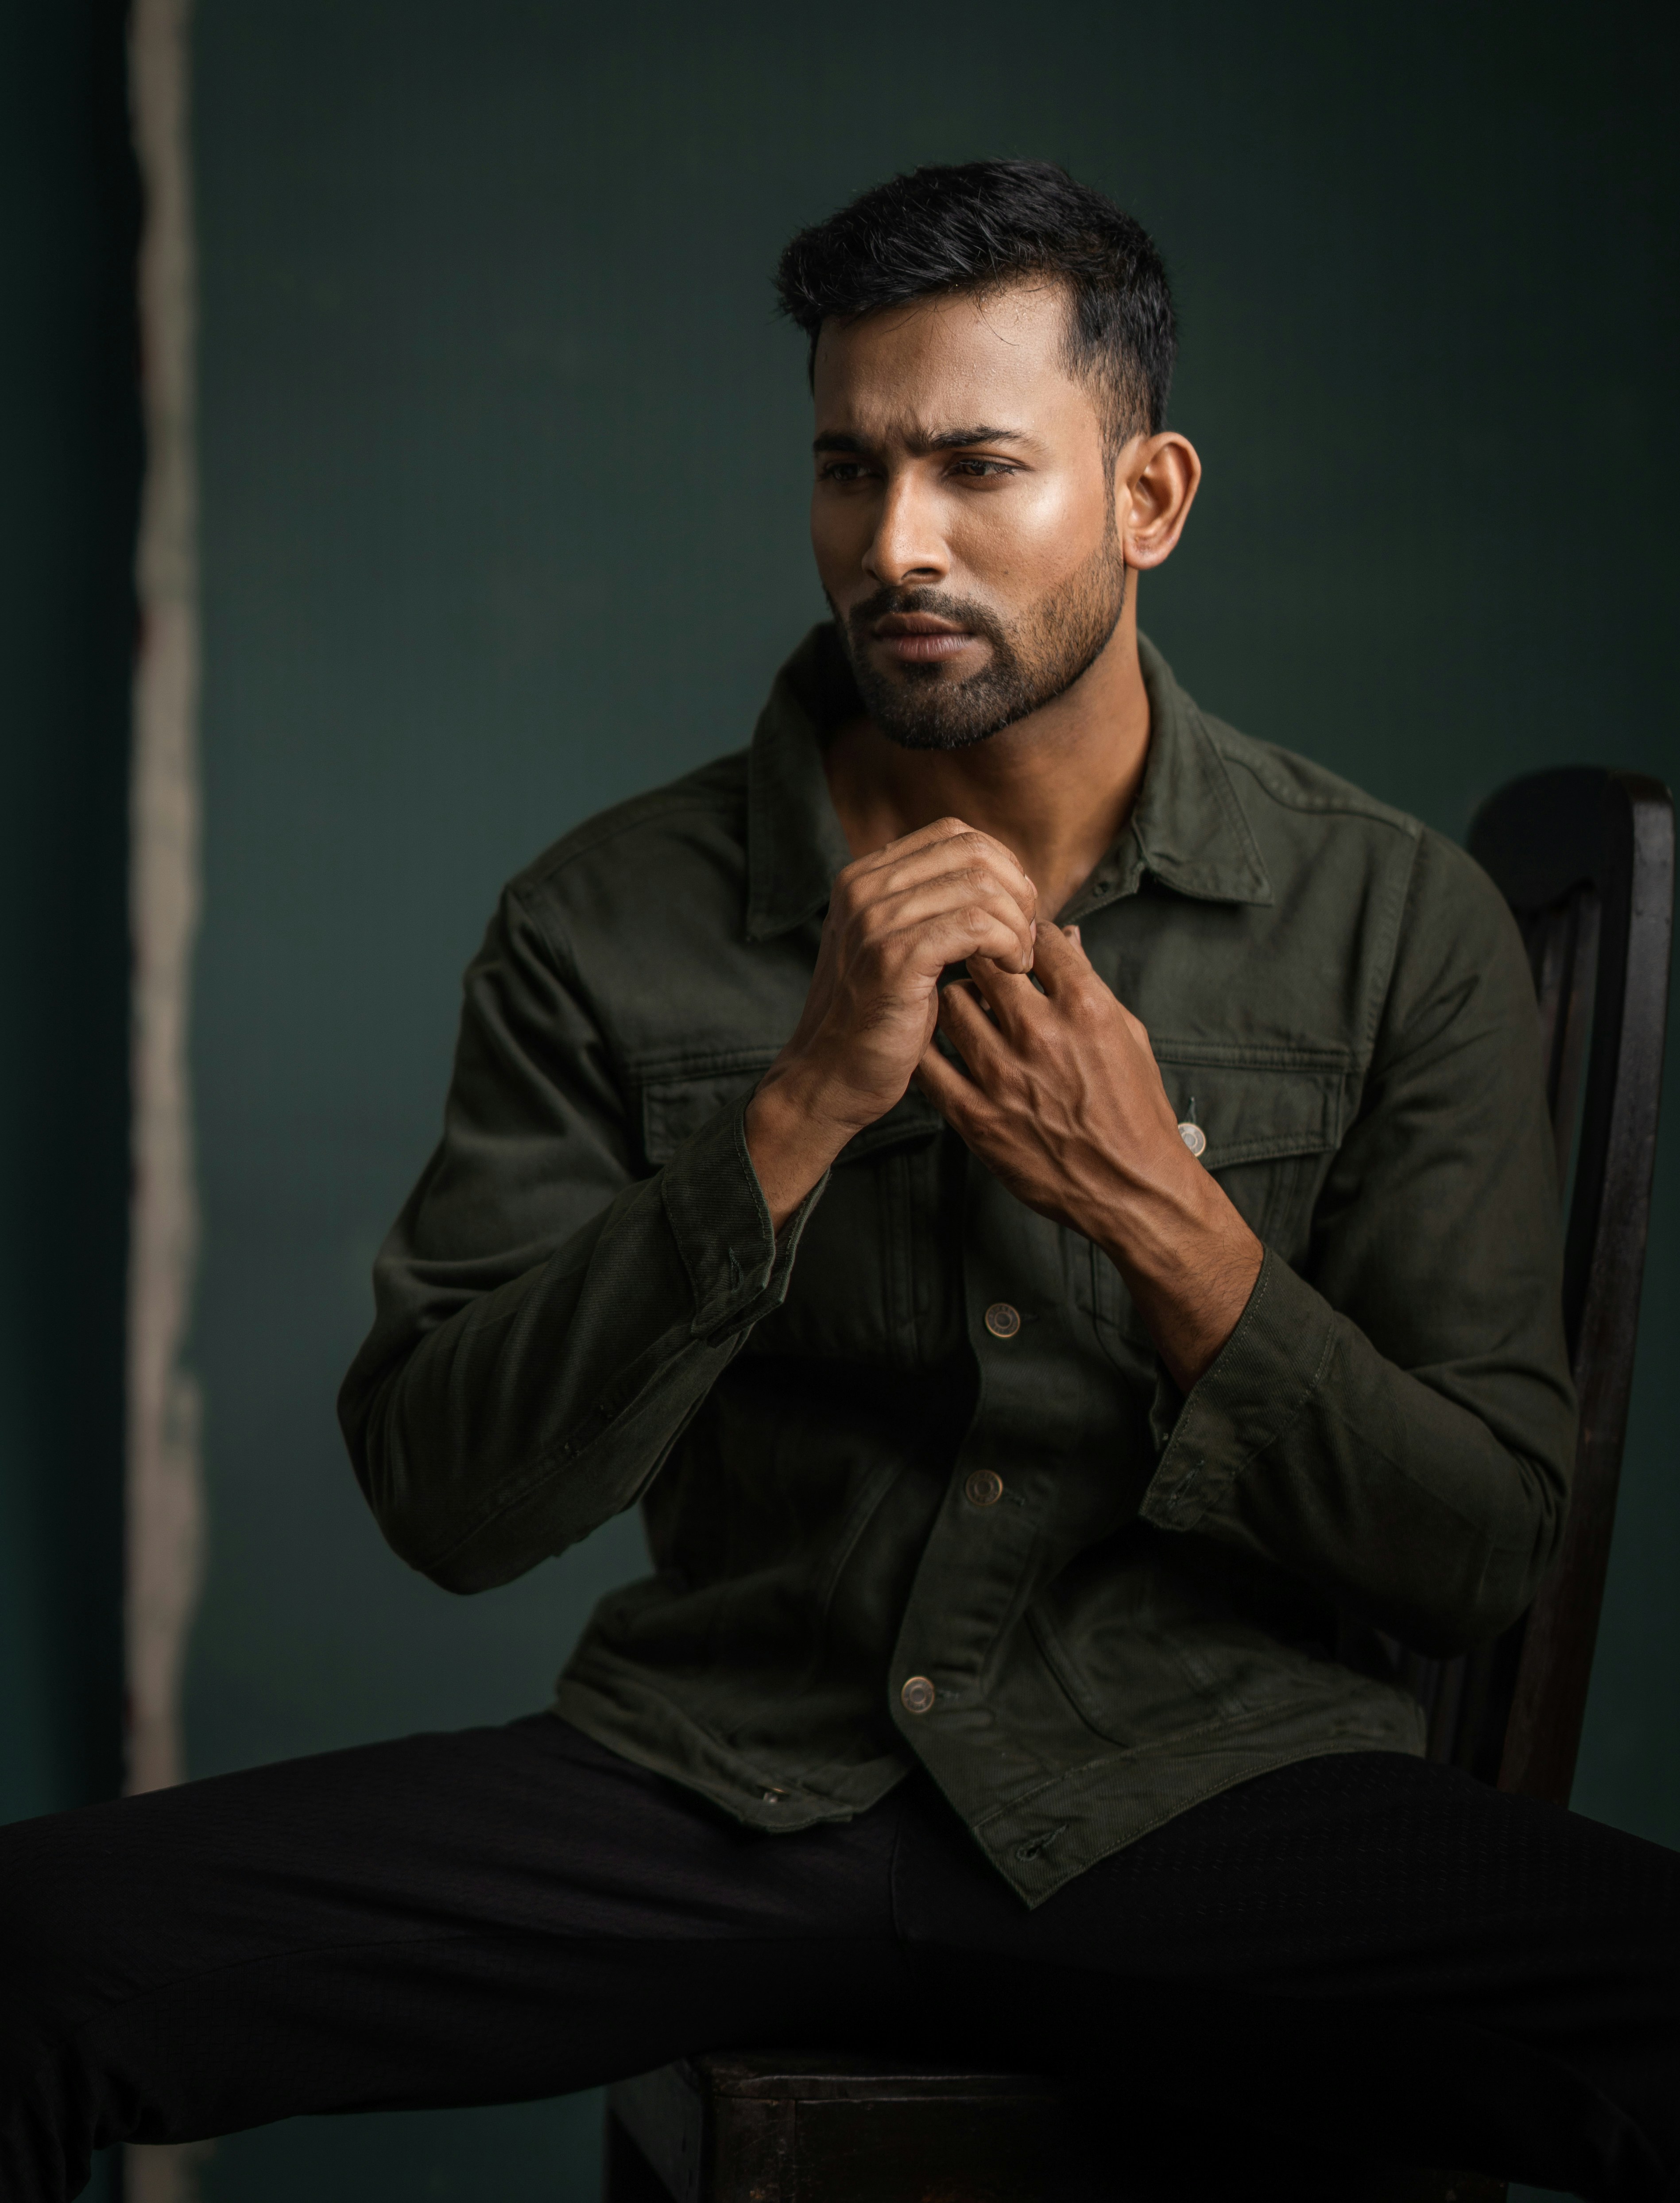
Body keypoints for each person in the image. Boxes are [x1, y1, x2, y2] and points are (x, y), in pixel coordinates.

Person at [1, 159, 1674, 2203]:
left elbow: (1482, 1540)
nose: (896, 545)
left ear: (1145, 499)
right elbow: (447, 1492)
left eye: (976, 468)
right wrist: (795, 1102)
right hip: (714, 1785)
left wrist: (1158, 1206)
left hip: (1200, 1800)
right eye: (848, 470)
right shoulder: (604, 915)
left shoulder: (1388, 917)